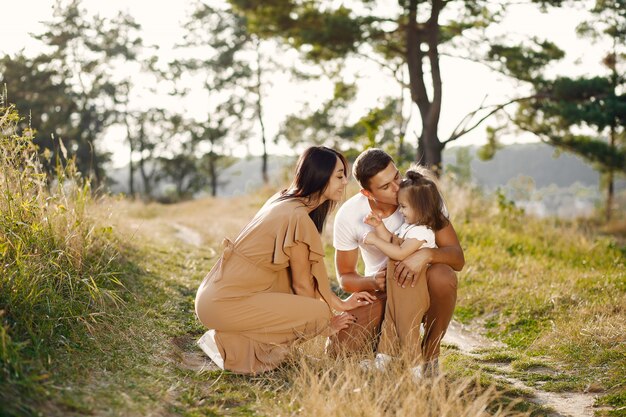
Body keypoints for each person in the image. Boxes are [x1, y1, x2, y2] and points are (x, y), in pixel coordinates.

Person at [194, 146, 376, 374]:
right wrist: (324, 324)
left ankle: (231, 341)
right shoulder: (297, 217)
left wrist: (339, 303)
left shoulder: (283, 199)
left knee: (290, 285)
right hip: (224, 302)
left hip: (215, 296)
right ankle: (229, 346)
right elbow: (303, 286)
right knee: (316, 313)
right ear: (319, 176)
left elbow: (302, 277)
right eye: (339, 176)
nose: (344, 182)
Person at [333, 148, 464, 376]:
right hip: (382, 292)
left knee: (444, 276)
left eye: (396, 176)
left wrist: (428, 255)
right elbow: (345, 277)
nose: (397, 188)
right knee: (338, 349)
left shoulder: (421, 196)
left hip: (421, 284)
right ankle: (382, 347)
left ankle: (430, 354)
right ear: (367, 192)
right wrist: (373, 282)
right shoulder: (350, 214)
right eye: (385, 187)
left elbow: (457, 258)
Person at [361, 166, 450, 377]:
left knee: (406, 330)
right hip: (398, 290)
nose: (400, 211)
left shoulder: (422, 232)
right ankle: (383, 361)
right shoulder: (409, 227)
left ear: (421, 209)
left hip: (410, 291)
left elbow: (400, 253)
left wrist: (373, 239)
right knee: (389, 325)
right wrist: (379, 227)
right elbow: (393, 241)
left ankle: (416, 371)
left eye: (404, 207)